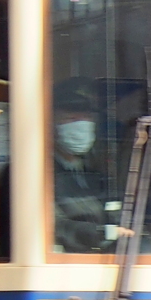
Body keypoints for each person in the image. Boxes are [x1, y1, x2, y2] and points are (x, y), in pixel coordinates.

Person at [53, 77, 107, 252]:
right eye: (71, 117)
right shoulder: (35, 172)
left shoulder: (92, 175)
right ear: (51, 121)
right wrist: (102, 233)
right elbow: (53, 225)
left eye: (87, 117)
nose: (81, 124)